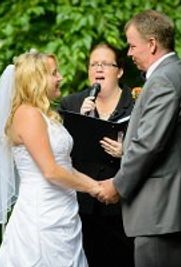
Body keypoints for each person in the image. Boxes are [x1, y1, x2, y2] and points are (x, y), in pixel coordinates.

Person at [97, 9, 181, 267]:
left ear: (152, 44)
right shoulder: (177, 74)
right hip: (169, 211)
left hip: (160, 213)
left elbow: (148, 146)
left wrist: (117, 186)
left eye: (133, 46)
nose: (130, 53)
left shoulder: (164, 81)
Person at [0, 51, 100, 266]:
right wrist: (94, 188)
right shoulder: (27, 114)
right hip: (41, 216)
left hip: (64, 212)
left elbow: (64, 166)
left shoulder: (46, 115)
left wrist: (96, 184)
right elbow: (51, 171)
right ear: (36, 79)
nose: (60, 78)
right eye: (54, 73)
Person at [60, 43, 135, 267]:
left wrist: (126, 152)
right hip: (83, 202)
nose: (98, 69)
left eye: (105, 64)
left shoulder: (135, 102)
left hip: (121, 201)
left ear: (119, 71)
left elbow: (150, 147)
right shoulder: (72, 103)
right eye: (94, 64)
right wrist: (81, 121)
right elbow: (60, 150)